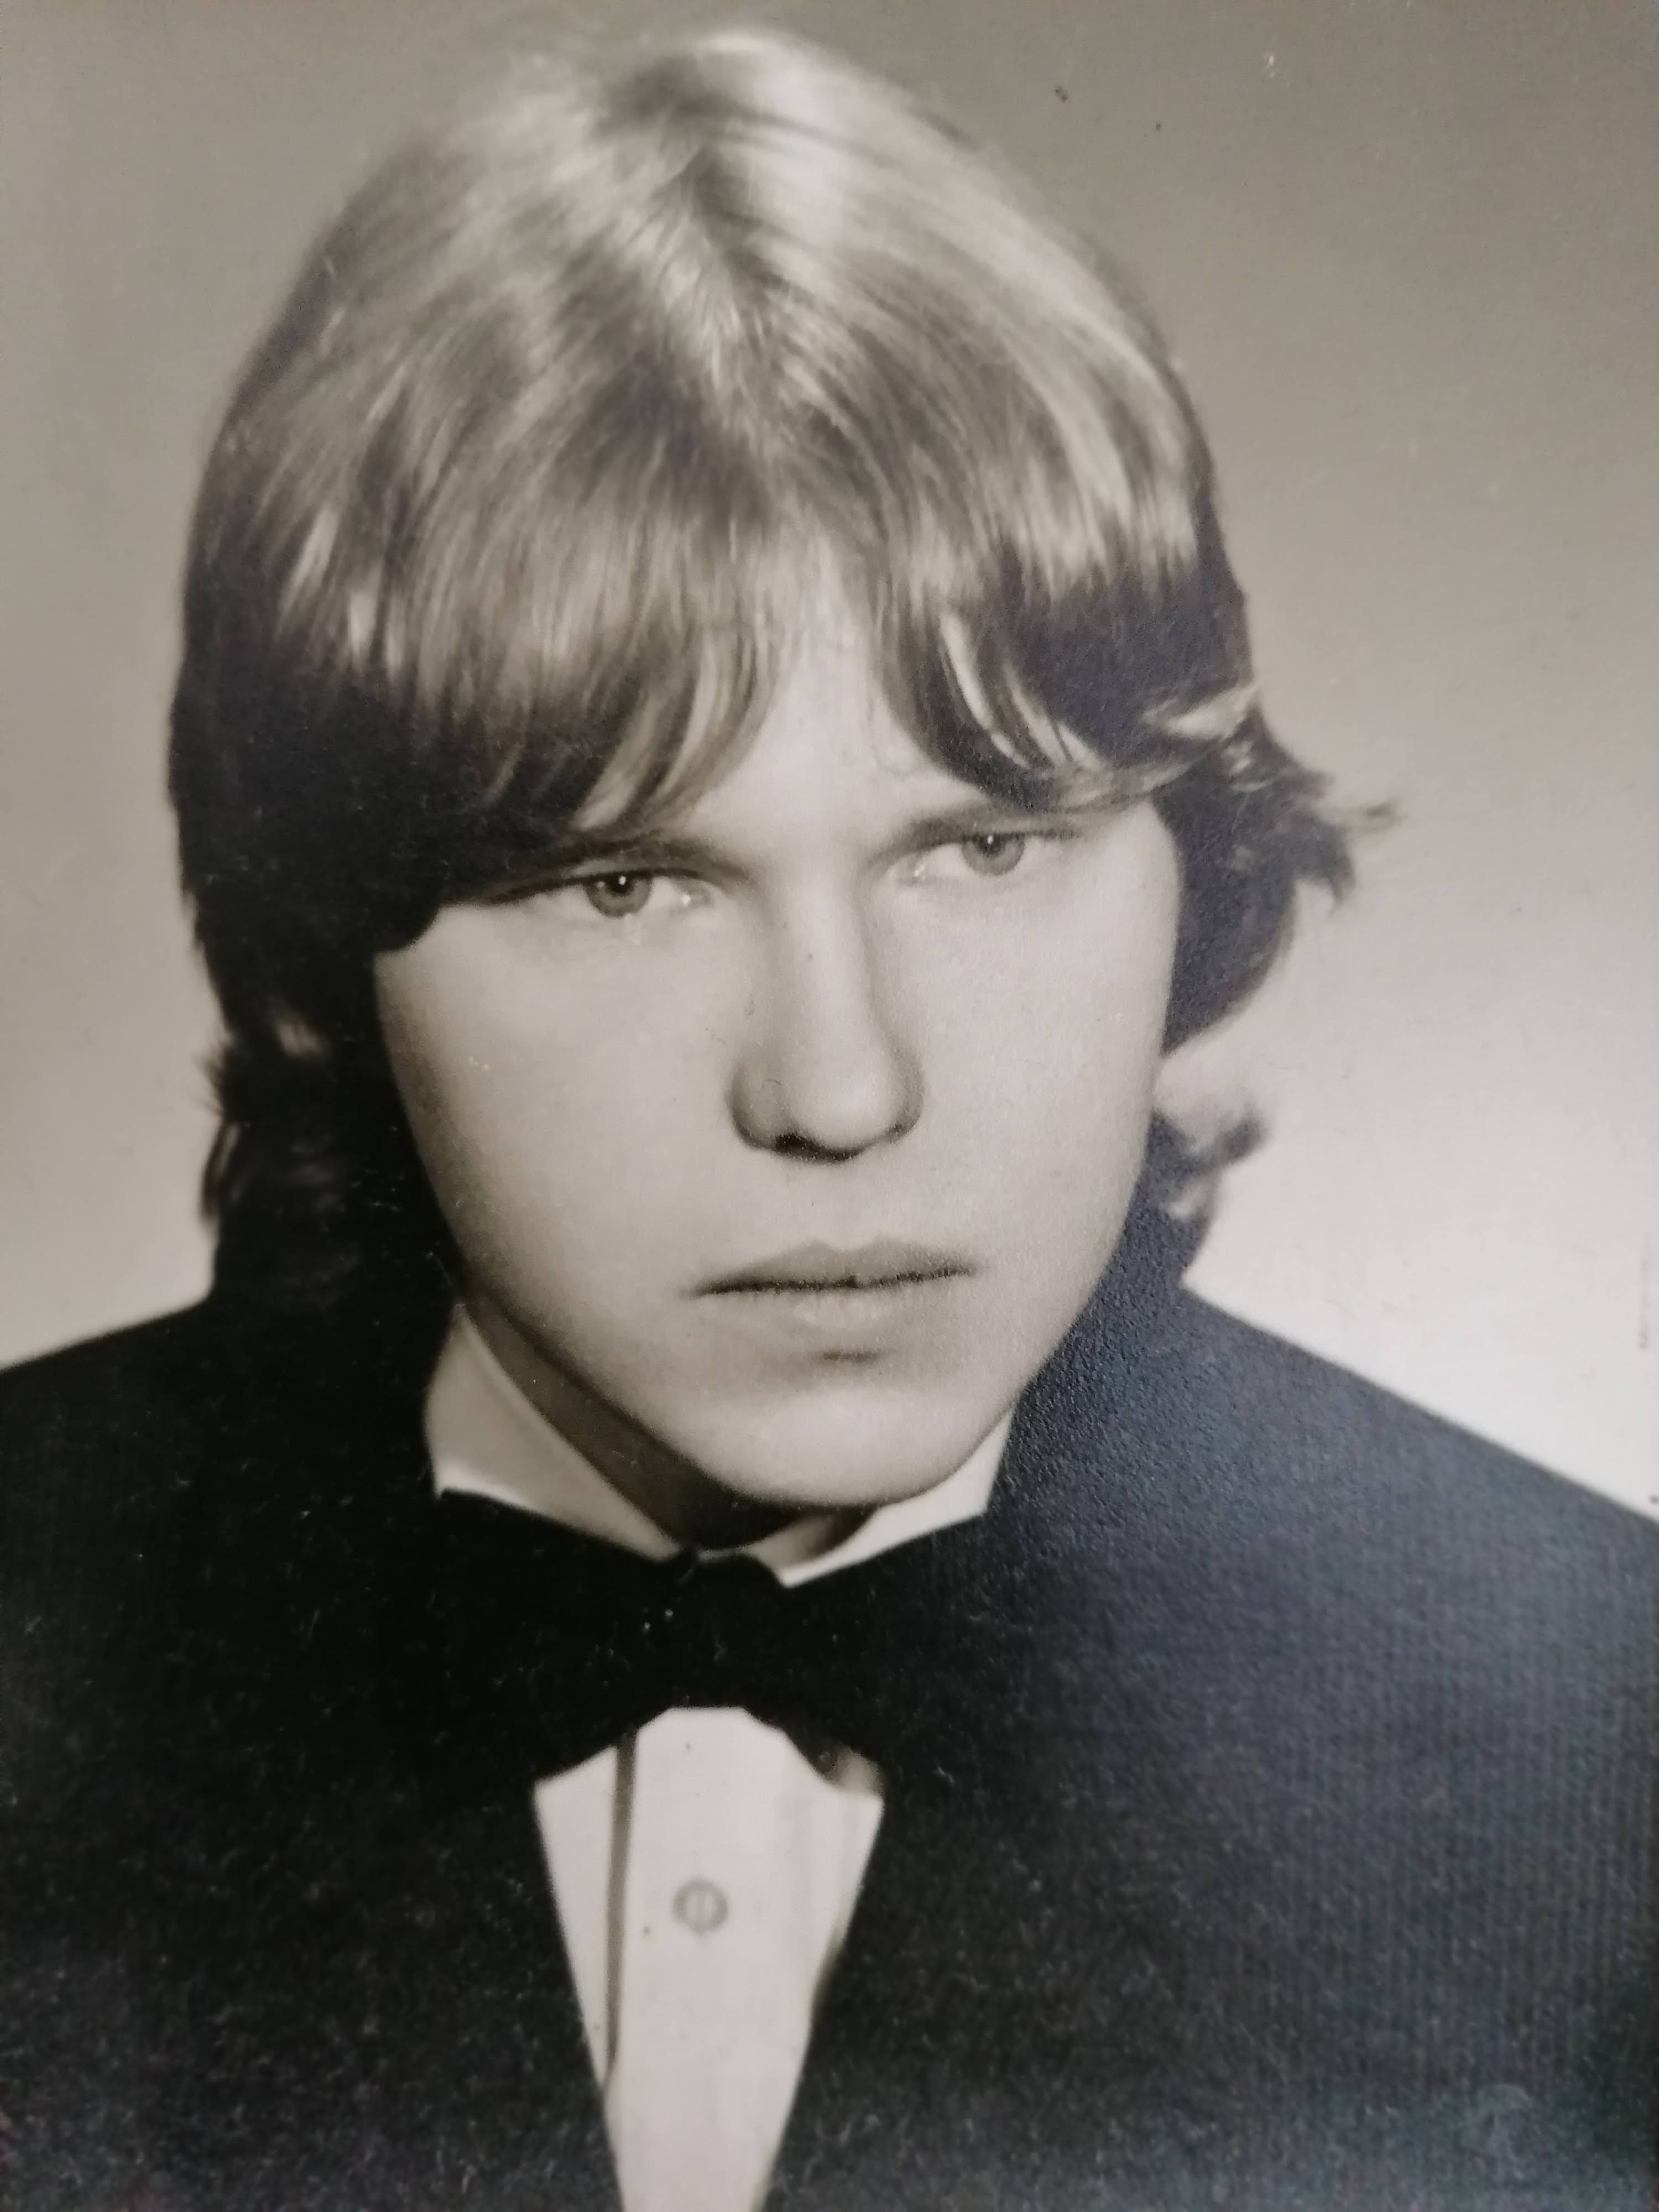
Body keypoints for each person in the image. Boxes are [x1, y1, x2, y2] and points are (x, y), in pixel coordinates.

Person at [1, 28, 1653, 2211]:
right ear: (326, 941)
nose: (842, 1087)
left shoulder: (1605, 1757)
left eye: (982, 845)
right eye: (625, 882)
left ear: (1197, 864)